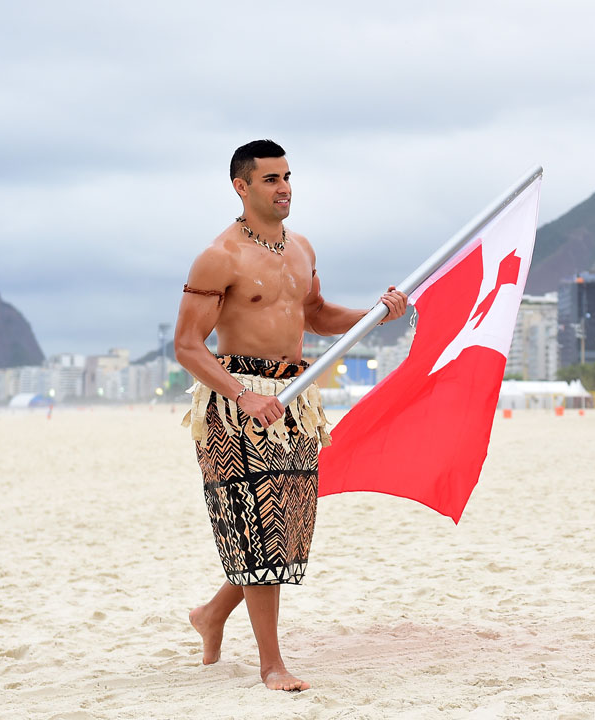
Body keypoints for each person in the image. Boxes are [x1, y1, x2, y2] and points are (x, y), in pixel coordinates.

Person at [174, 139, 407, 691]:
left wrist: (379, 313)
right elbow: (187, 345)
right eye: (272, 179)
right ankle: (271, 664)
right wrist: (240, 394)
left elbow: (320, 315)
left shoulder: (301, 248)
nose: (284, 189)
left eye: (287, 177)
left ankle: (211, 614)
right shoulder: (220, 257)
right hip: (237, 402)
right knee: (256, 531)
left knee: (285, 535)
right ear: (242, 186)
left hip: (295, 397)